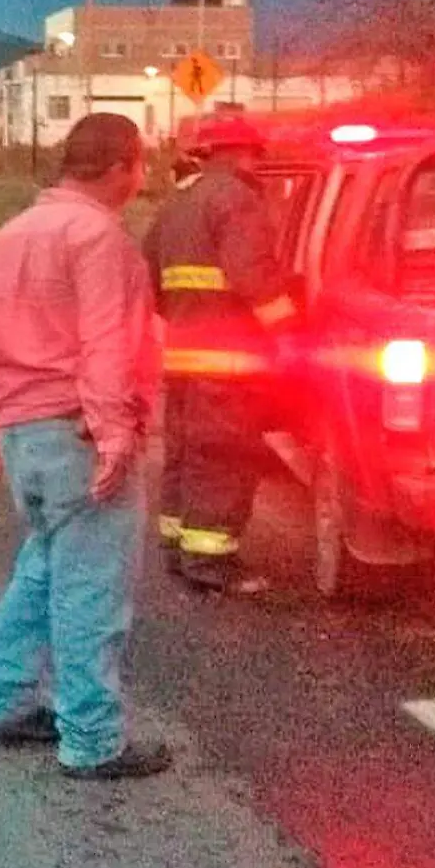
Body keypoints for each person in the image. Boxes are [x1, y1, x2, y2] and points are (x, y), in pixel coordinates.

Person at [0, 113, 170, 781]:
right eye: (140, 168)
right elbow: (108, 343)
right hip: (77, 432)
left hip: (24, 430)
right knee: (90, 588)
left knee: (44, 567)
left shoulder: (10, 236)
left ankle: (3, 699)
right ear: (120, 166)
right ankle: (91, 739)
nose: (140, 182)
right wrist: (115, 436)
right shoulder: (99, 238)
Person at [143, 117, 297, 596]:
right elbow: (254, 277)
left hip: (185, 353)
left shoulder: (178, 203)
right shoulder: (236, 198)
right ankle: (211, 563)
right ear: (245, 153)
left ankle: (177, 547)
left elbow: (151, 280)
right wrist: (290, 333)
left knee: (186, 453)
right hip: (228, 358)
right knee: (223, 457)